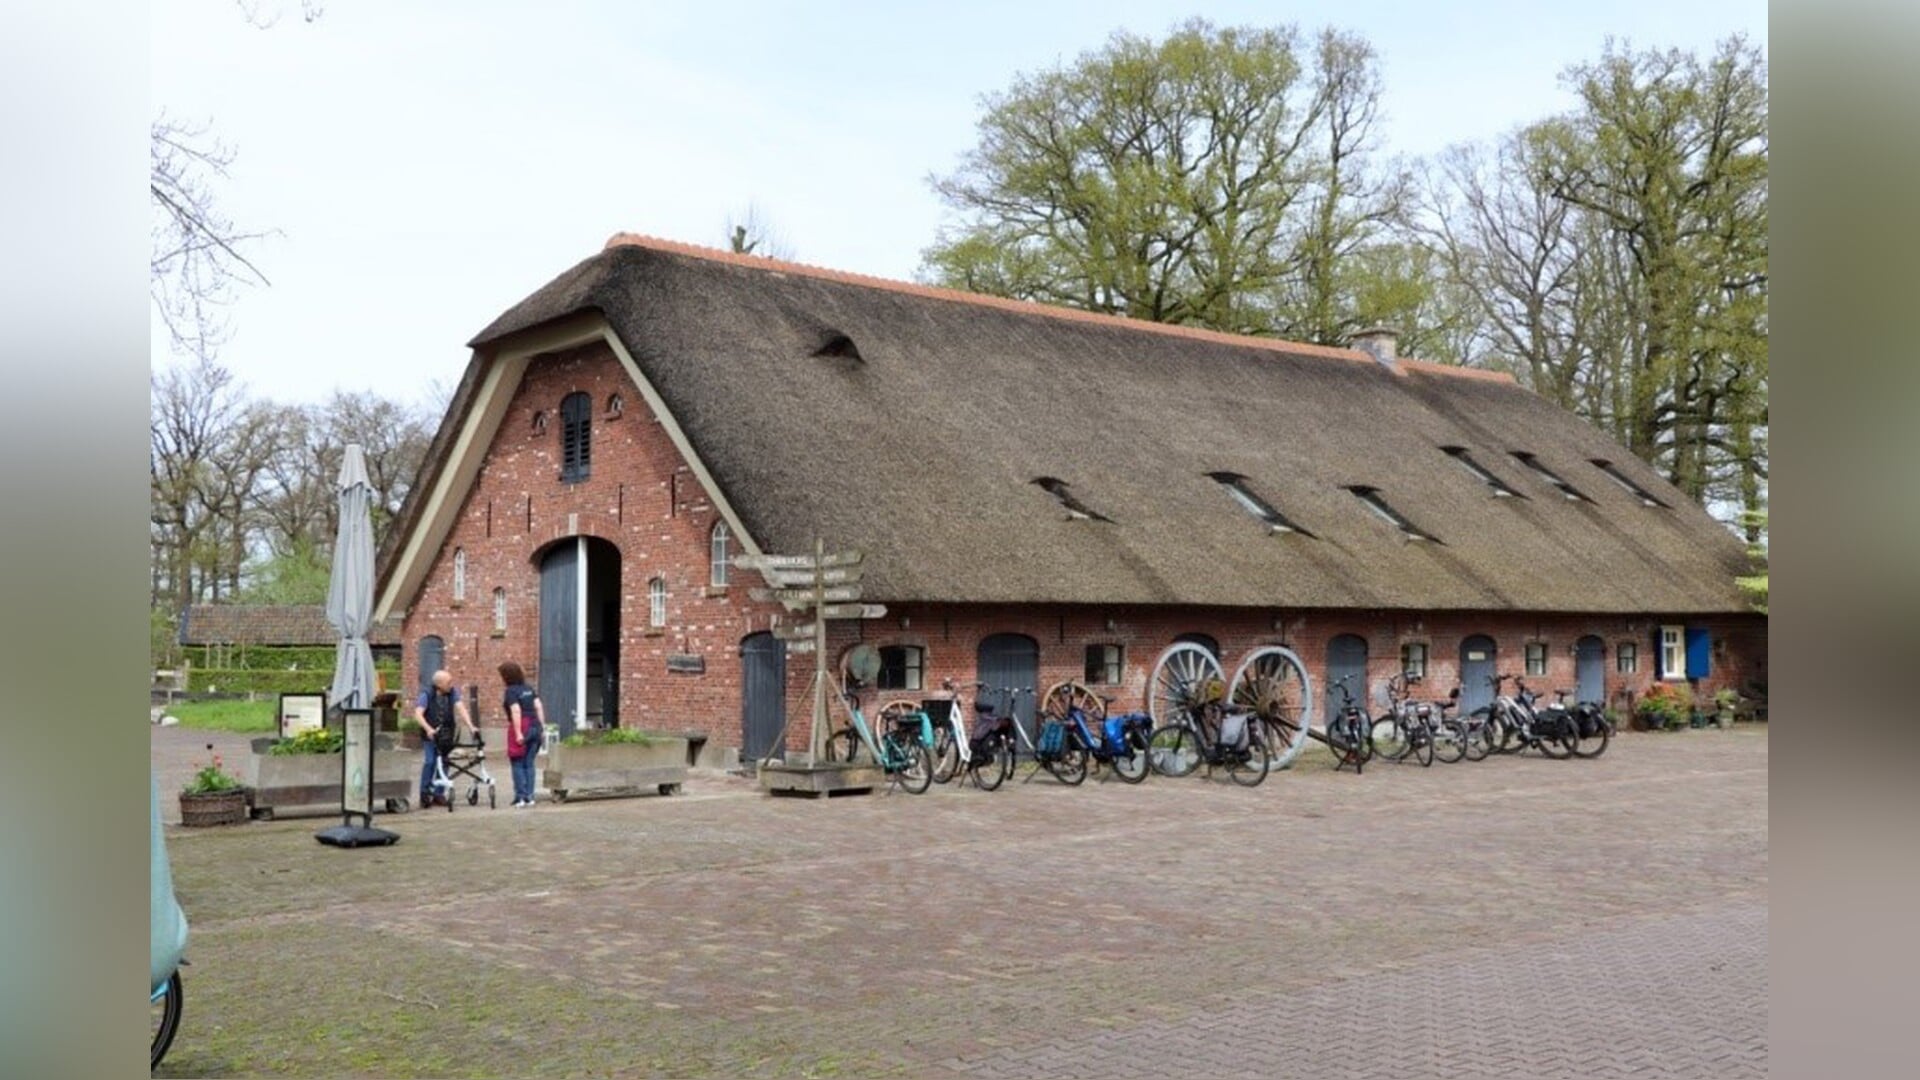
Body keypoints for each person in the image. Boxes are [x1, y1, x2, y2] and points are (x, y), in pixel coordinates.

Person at [413, 670, 474, 807]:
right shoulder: (426, 694)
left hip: (447, 733)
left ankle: (439, 794)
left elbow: (461, 708)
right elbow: (418, 714)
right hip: (431, 735)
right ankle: (425, 792)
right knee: (430, 762)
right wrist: (428, 729)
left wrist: (470, 726)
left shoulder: (452, 693)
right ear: (439, 684)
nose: (451, 684)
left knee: (445, 762)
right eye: (448, 682)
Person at [500, 661, 546, 807]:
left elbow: (516, 710)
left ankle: (520, 797)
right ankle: (530, 796)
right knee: (529, 763)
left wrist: (518, 732)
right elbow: (538, 706)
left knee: (518, 762)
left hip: (522, 725)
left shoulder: (511, 691)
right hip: (535, 725)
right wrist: (542, 728)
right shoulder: (529, 689)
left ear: (506, 676)